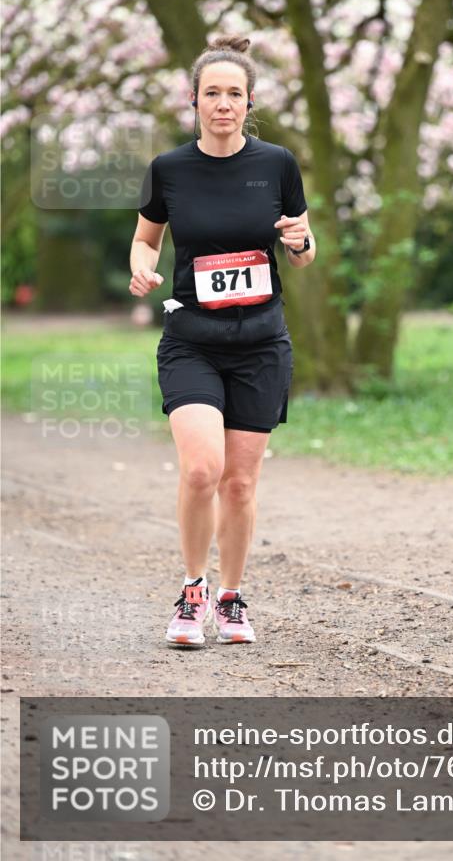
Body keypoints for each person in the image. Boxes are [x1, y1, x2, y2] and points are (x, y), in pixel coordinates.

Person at [129, 33, 315, 648]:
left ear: (249, 101)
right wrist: (141, 266)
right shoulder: (170, 169)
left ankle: (231, 598)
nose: (224, 104)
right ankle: (192, 590)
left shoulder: (278, 165)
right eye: (213, 93)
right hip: (193, 342)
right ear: (194, 100)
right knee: (202, 467)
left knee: (240, 482)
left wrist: (300, 244)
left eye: (235, 93)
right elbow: (147, 237)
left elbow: (304, 248)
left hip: (261, 343)